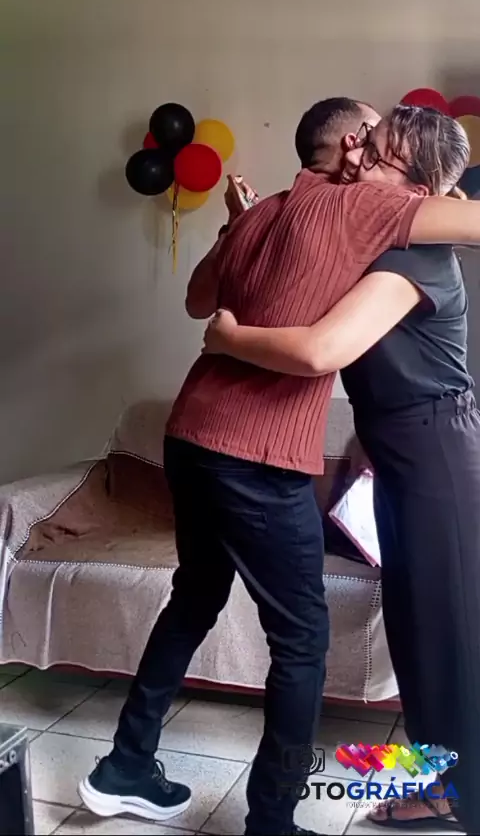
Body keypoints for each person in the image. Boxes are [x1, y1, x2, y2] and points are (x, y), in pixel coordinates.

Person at [79, 99, 478, 836]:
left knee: (436, 626)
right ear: (351, 144)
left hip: (207, 436)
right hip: (284, 453)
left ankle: (129, 764)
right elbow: (314, 342)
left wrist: (231, 316)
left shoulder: (277, 212)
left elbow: (213, 304)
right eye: (368, 136)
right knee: (340, 636)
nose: (368, 146)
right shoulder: (350, 214)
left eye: (382, 143)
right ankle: (279, 819)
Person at [202, 111, 480, 833]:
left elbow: (320, 351)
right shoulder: (375, 239)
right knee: (417, 630)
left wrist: (229, 339)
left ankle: (460, 797)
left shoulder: (411, 258)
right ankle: (438, 783)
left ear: (417, 186)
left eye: (378, 157)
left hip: (436, 455)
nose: (359, 162)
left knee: (447, 636)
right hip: (402, 448)